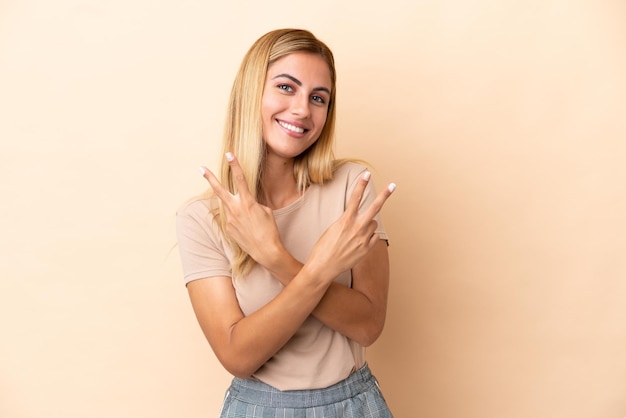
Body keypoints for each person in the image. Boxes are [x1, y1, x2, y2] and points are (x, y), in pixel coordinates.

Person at [176, 28, 396, 417]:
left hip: (354, 405)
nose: (301, 110)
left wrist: (275, 257)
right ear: (251, 93)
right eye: (285, 87)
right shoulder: (202, 219)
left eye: (318, 98)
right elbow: (238, 355)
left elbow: (368, 326)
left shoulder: (351, 186)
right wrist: (318, 271)